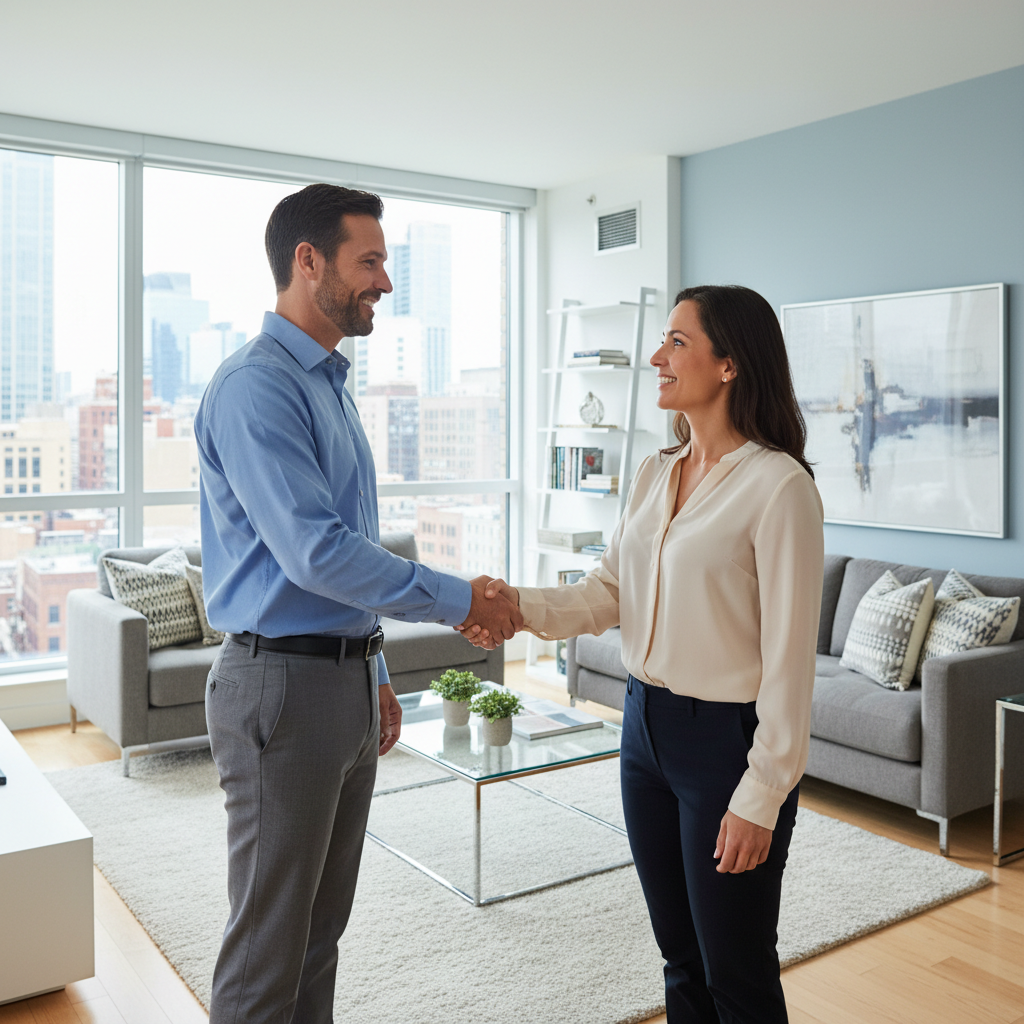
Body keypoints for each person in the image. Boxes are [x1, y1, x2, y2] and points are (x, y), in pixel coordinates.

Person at [194, 183, 521, 1024]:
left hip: (336, 684)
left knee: (317, 937)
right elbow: (316, 552)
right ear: (309, 263)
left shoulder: (330, 382)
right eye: (368, 261)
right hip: (280, 688)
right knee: (268, 948)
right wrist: (460, 600)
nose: (383, 281)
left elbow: (345, 548)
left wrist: (371, 664)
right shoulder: (257, 387)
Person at [461, 285, 824, 1023]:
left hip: (727, 746)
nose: (657, 357)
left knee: (738, 971)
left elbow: (790, 663)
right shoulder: (657, 472)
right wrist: (515, 608)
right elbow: (608, 591)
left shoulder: (778, 486)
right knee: (679, 958)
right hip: (645, 733)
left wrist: (762, 795)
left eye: (677, 342)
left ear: (729, 364)